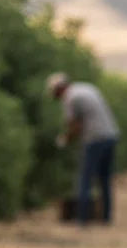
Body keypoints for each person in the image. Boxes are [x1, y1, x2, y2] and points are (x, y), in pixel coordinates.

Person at [47, 71, 120, 224]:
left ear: (59, 89)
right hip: (111, 135)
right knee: (104, 178)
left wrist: (64, 140)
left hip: (94, 139)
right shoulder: (87, 88)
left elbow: (74, 125)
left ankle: (82, 218)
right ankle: (106, 217)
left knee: (85, 178)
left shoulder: (70, 98)